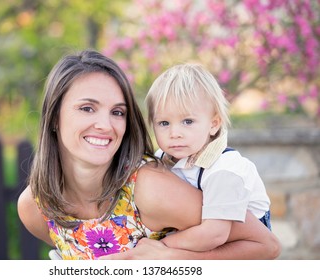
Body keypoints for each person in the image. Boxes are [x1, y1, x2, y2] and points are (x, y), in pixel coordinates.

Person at [17, 49, 281, 260]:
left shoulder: (149, 188)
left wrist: (169, 258)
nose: (105, 125)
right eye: (87, 108)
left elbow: (265, 245)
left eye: (117, 112)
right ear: (54, 117)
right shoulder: (36, 206)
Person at [143, 63, 271, 252]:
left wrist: (161, 246)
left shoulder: (224, 169)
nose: (174, 133)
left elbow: (215, 234)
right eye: (164, 122)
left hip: (236, 244)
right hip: (197, 235)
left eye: (188, 121)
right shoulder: (162, 157)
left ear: (213, 124)